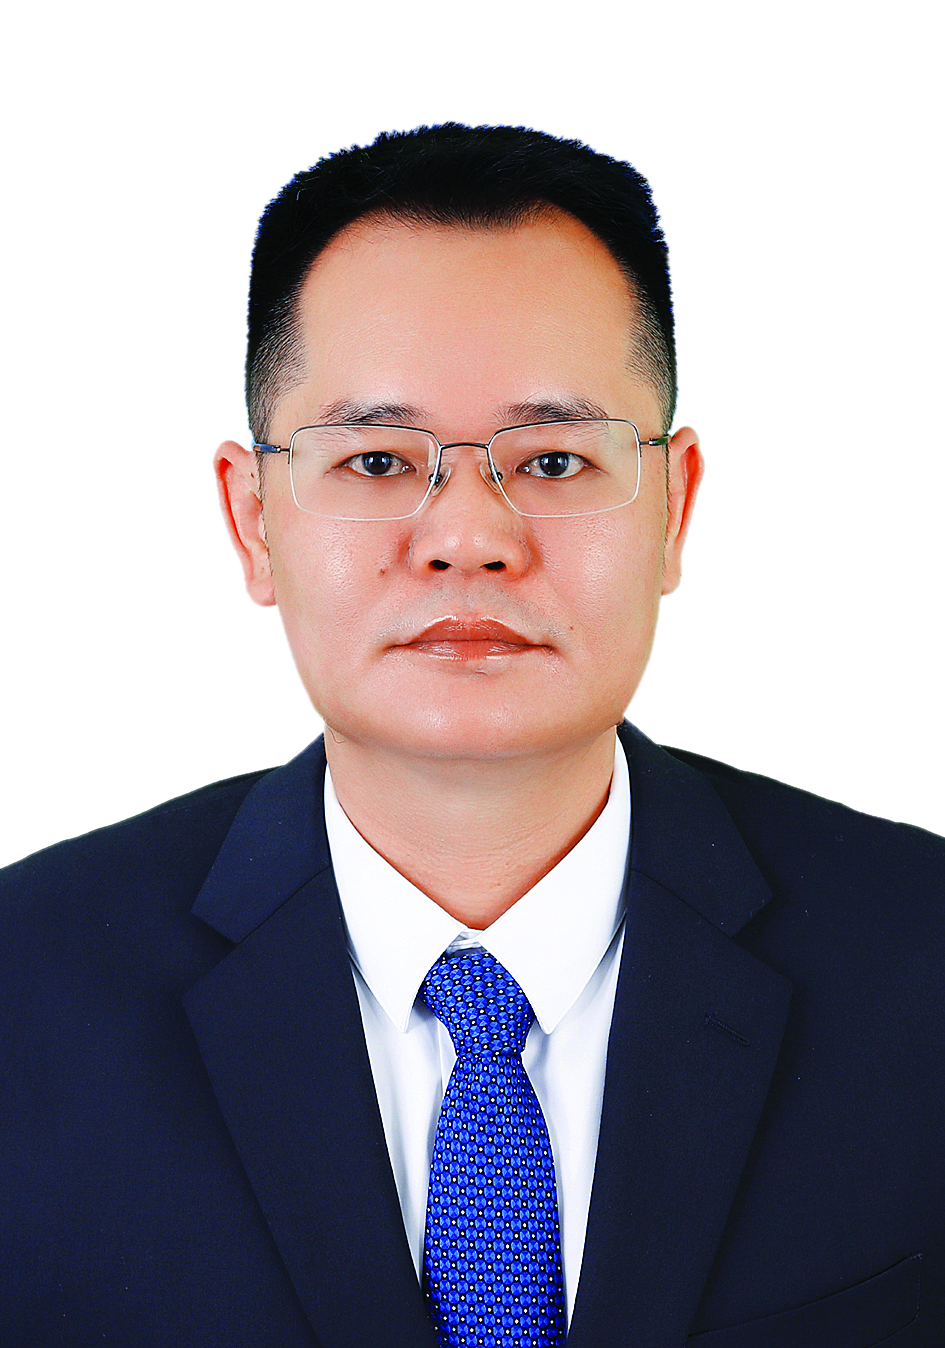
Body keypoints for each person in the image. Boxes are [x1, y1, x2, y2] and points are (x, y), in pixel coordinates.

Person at [1, 124, 942, 1348]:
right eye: (376, 459)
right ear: (253, 521)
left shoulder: (923, 957)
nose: (467, 538)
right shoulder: (24, 990)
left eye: (552, 458)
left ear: (673, 507)